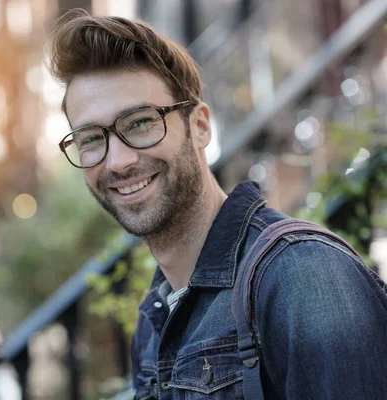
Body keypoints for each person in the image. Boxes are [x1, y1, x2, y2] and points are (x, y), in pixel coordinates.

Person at [46, 9, 387, 400]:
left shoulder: (302, 277)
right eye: (90, 138)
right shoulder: (155, 322)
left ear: (200, 127)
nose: (118, 161)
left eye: (140, 123)